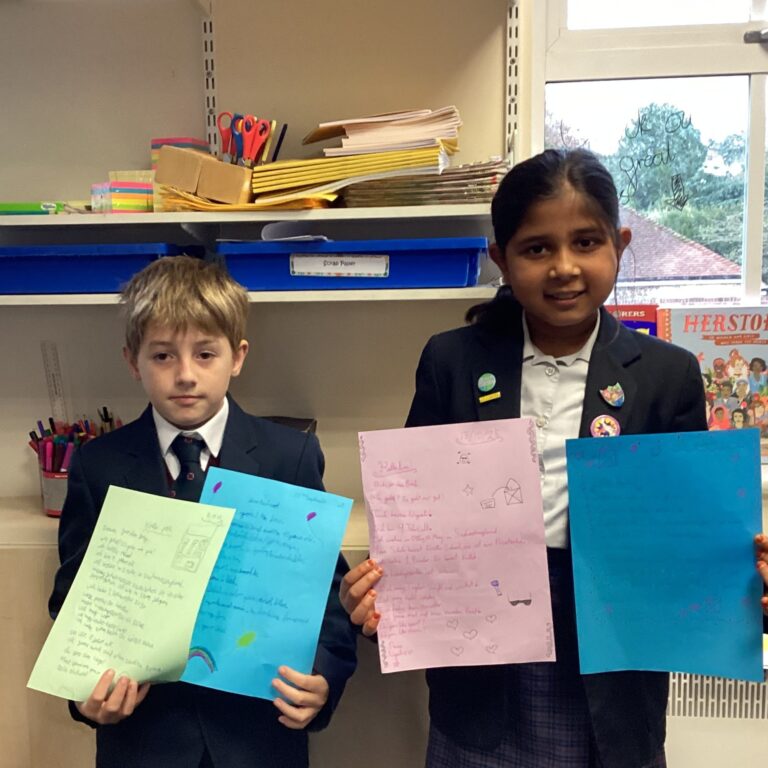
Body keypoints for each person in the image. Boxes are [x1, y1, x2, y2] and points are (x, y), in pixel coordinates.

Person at [341, 148, 715, 768]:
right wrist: (388, 596)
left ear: (619, 245)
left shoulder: (668, 376)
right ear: (501, 258)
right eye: (537, 248)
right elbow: (416, 516)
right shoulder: (452, 360)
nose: (564, 268)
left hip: (612, 660)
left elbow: (686, 531)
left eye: (586, 242)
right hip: (483, 658)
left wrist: (734, 573)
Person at [48, 256, 357, 768]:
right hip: (144, 738)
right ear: (133, 361)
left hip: (259, 735)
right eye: (163, 356)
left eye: (205, 354)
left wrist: (324, 678)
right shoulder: (97, 464)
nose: (185, 376)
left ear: (237, 357)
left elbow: (323, 595)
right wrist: (85, 696)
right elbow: (74, 599)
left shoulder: (289, 455)